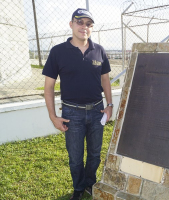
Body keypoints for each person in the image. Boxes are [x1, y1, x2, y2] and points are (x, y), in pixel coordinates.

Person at [42, 8, 113, 200]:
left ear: (91, 28)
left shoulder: (99, 50)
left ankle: (90, 183)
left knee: (95, 154)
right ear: (71, 24)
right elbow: (48, 87)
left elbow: (105, 80)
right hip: (71, 113)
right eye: (80, 22)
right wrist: (53, 116)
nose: (84, 27)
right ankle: (78, 188)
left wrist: (110, 105)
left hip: (98, 110)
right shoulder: (58, 52)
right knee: (75, 158)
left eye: (88, 24)